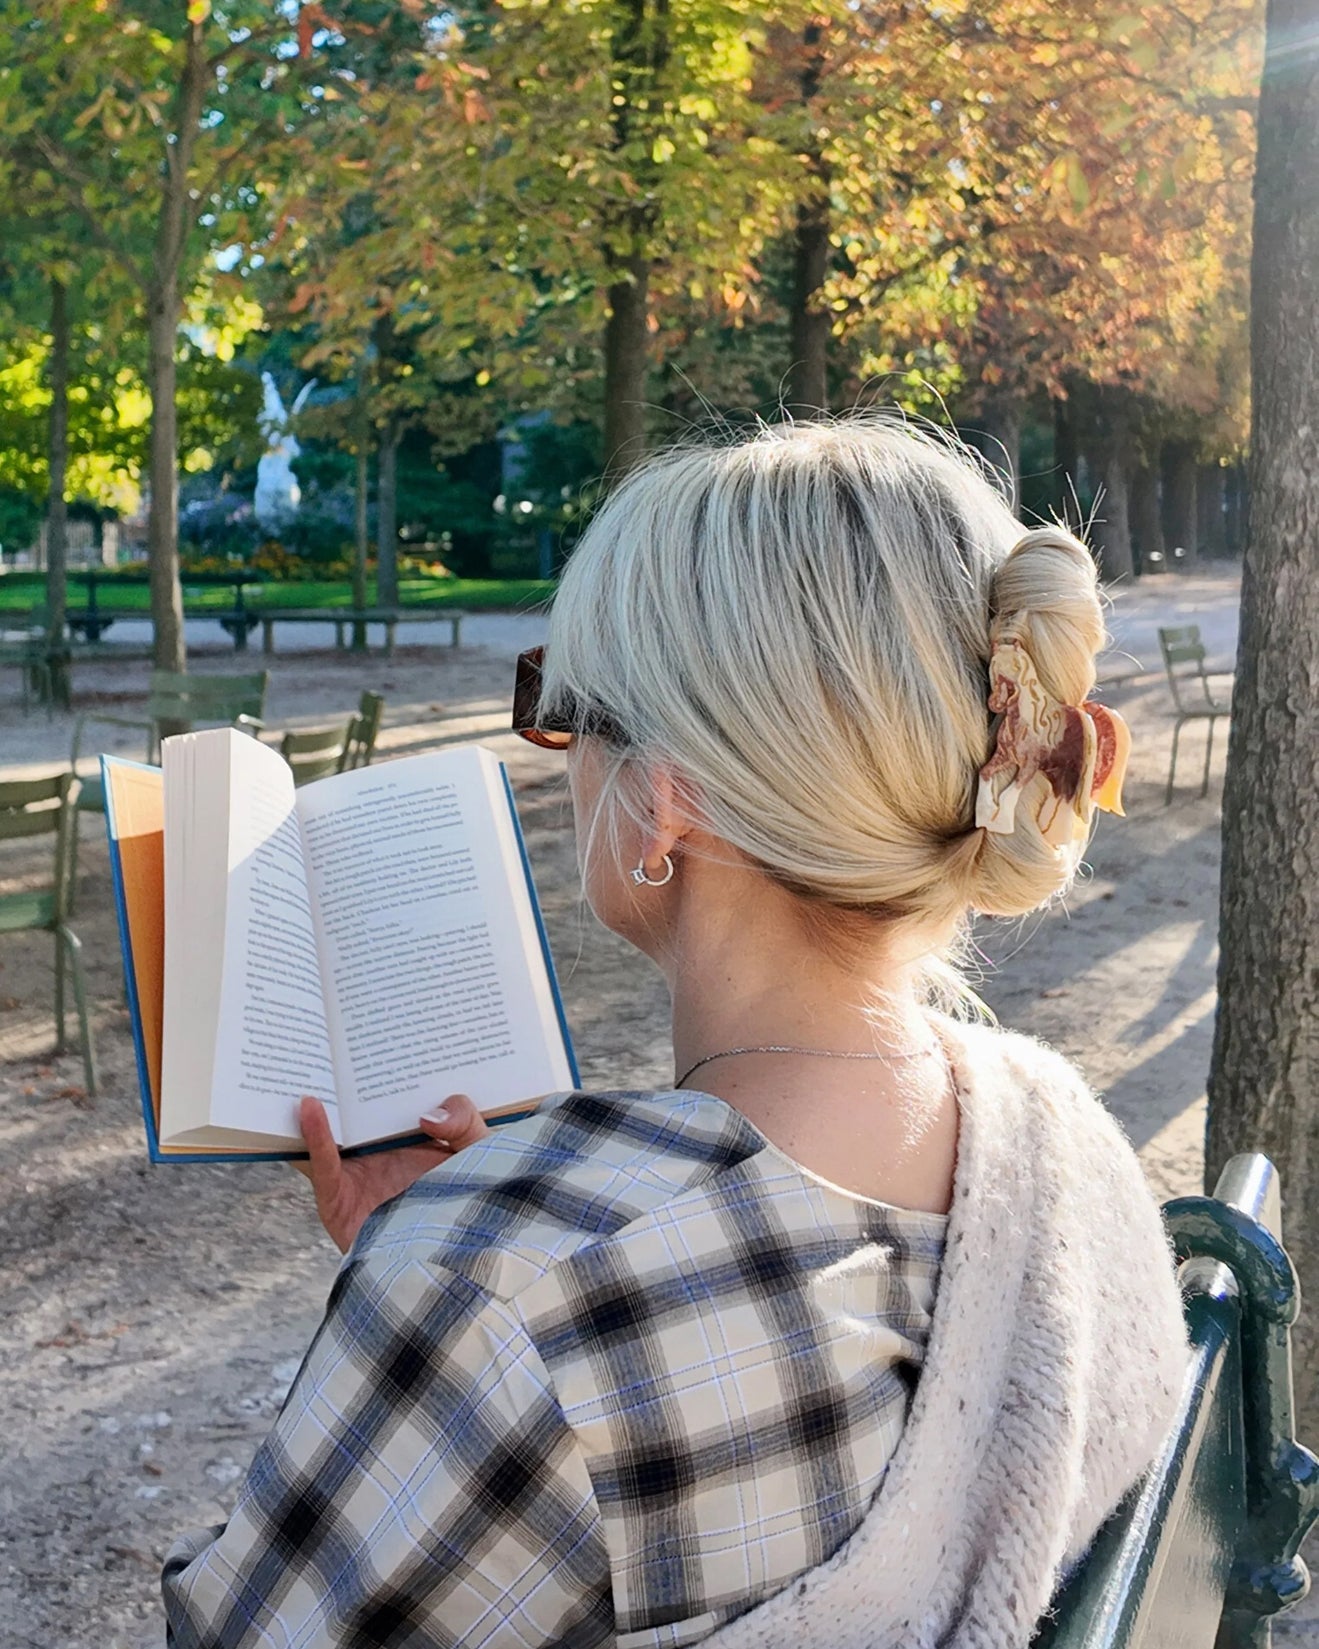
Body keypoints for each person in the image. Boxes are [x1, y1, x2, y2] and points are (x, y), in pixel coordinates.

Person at [162, 418, 1187, 1649]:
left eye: (564, 710)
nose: (562, 759)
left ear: (664, 800)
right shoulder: (1060, 1145)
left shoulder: (502, 1300)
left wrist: (461, 1277)